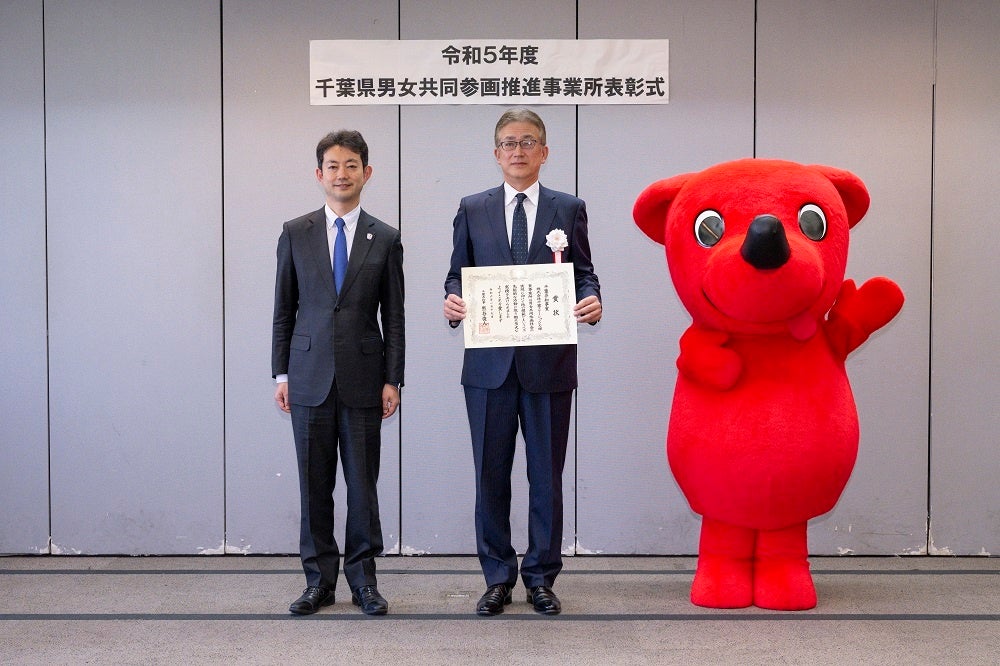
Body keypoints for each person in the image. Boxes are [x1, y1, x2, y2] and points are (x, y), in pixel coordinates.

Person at [443, 108, 602, 616]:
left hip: (548, 365)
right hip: (488, 369)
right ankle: (496, 576)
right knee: (490, 475)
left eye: (528, 141)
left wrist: (593, 300)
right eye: (509, 142)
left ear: (545, 152)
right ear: (496, 153)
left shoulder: (568, 207)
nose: (518, 150)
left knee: (545, 476)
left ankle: (540, 576)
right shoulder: (472, 208)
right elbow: (456, 275)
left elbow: (584, 273)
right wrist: (451, 302)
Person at [272, 130, 404, 616]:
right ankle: (318, 582)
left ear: (366, 173)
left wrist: (394, 379)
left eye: (352, 165)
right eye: (333, 165)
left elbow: (395, 315)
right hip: (306, 378)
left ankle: (364, 582)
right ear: (319, 174)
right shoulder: (295, 232)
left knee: (362, 486)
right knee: (314, 485)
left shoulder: (386, 237)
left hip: (365, 380)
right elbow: (283, 310)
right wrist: (279, 375)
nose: (342, 174)